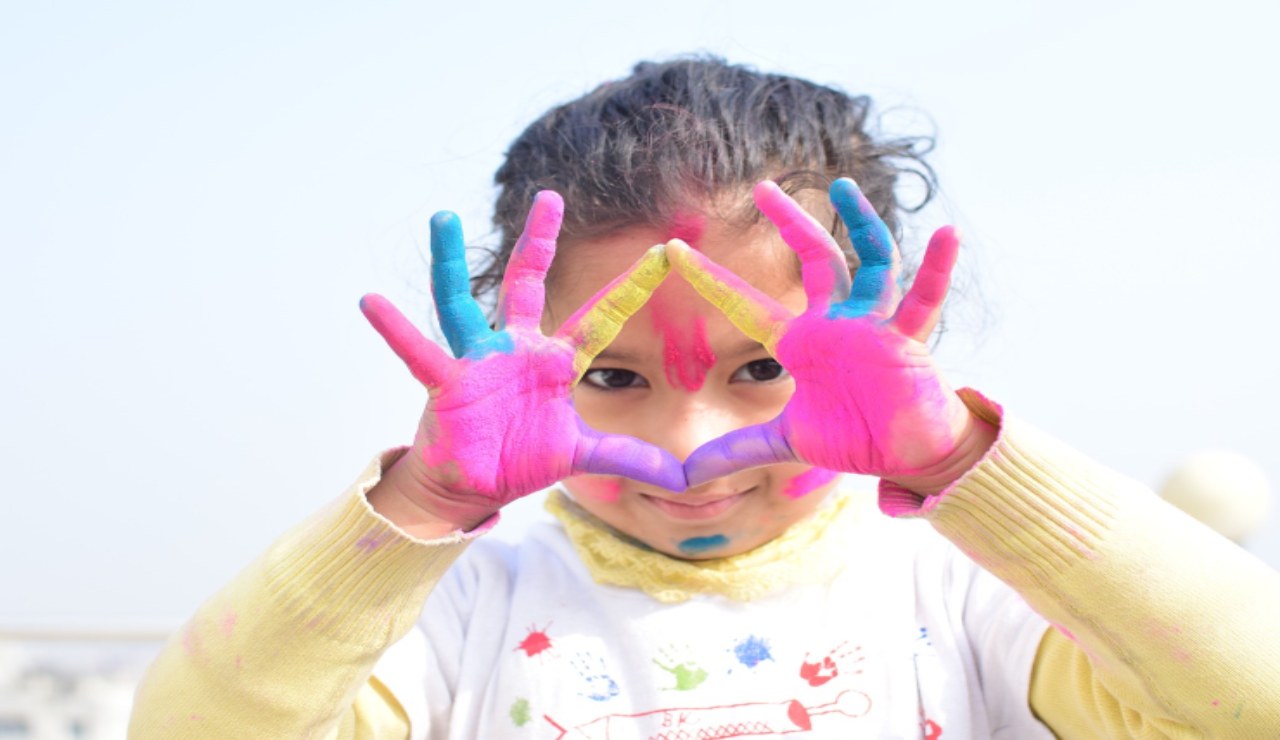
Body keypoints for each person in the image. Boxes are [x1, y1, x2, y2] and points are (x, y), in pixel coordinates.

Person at [129, 57, 1280, 738]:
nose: (693, 446)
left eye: (763, 366)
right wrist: (420, 504)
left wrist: (957, 464)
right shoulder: (461, 611)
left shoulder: (961, 592)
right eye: (612, 377)